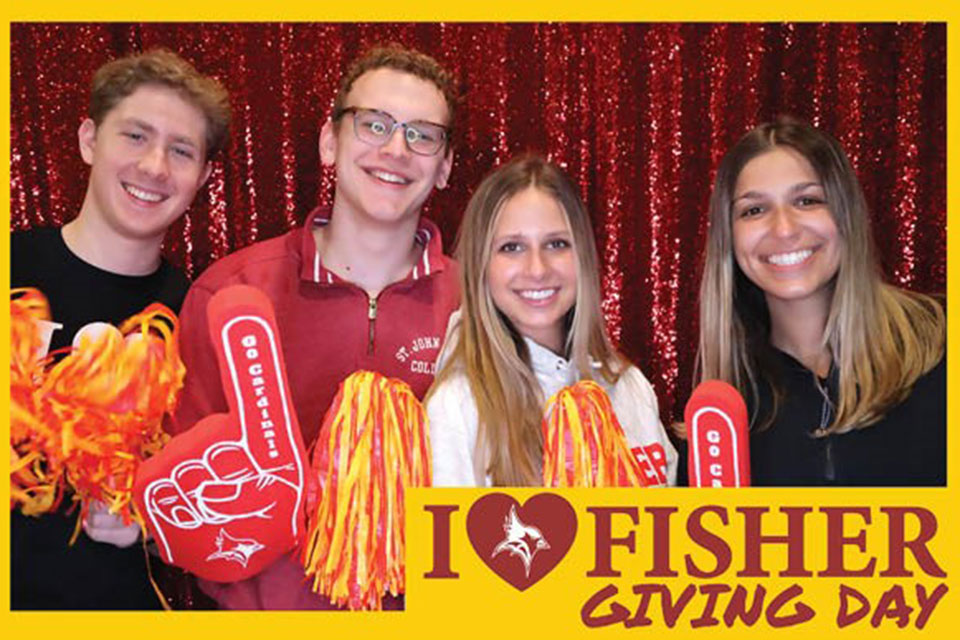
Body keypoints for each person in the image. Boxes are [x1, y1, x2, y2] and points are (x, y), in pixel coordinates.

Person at [168, 44, 460, 609]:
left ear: (445, 166)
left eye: (423, 134)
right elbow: (186, 490)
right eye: (374, 124)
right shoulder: (230, 291)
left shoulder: (478, 306)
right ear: (331, 141)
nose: (397, 149)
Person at [11, 48, 231, 609]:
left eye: (181, 151)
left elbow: (211, 514)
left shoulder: (202, 317)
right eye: (135, 136)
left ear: (204, 176)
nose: (155, 166)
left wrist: (150, 526)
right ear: (89, 139)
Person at [695, 116, 945, 486]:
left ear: (845, 215)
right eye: (754, 210)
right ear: (728, 239)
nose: (784, 228)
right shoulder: (720, 418)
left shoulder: (942, 343)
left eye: (807, 200)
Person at [427, 155, 677, 487]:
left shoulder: (628, 386)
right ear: (480, 267)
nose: (538, 269)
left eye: (556, 244)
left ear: (583, 257)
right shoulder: (457, 405)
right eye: (511, 247)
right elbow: (442, 538)